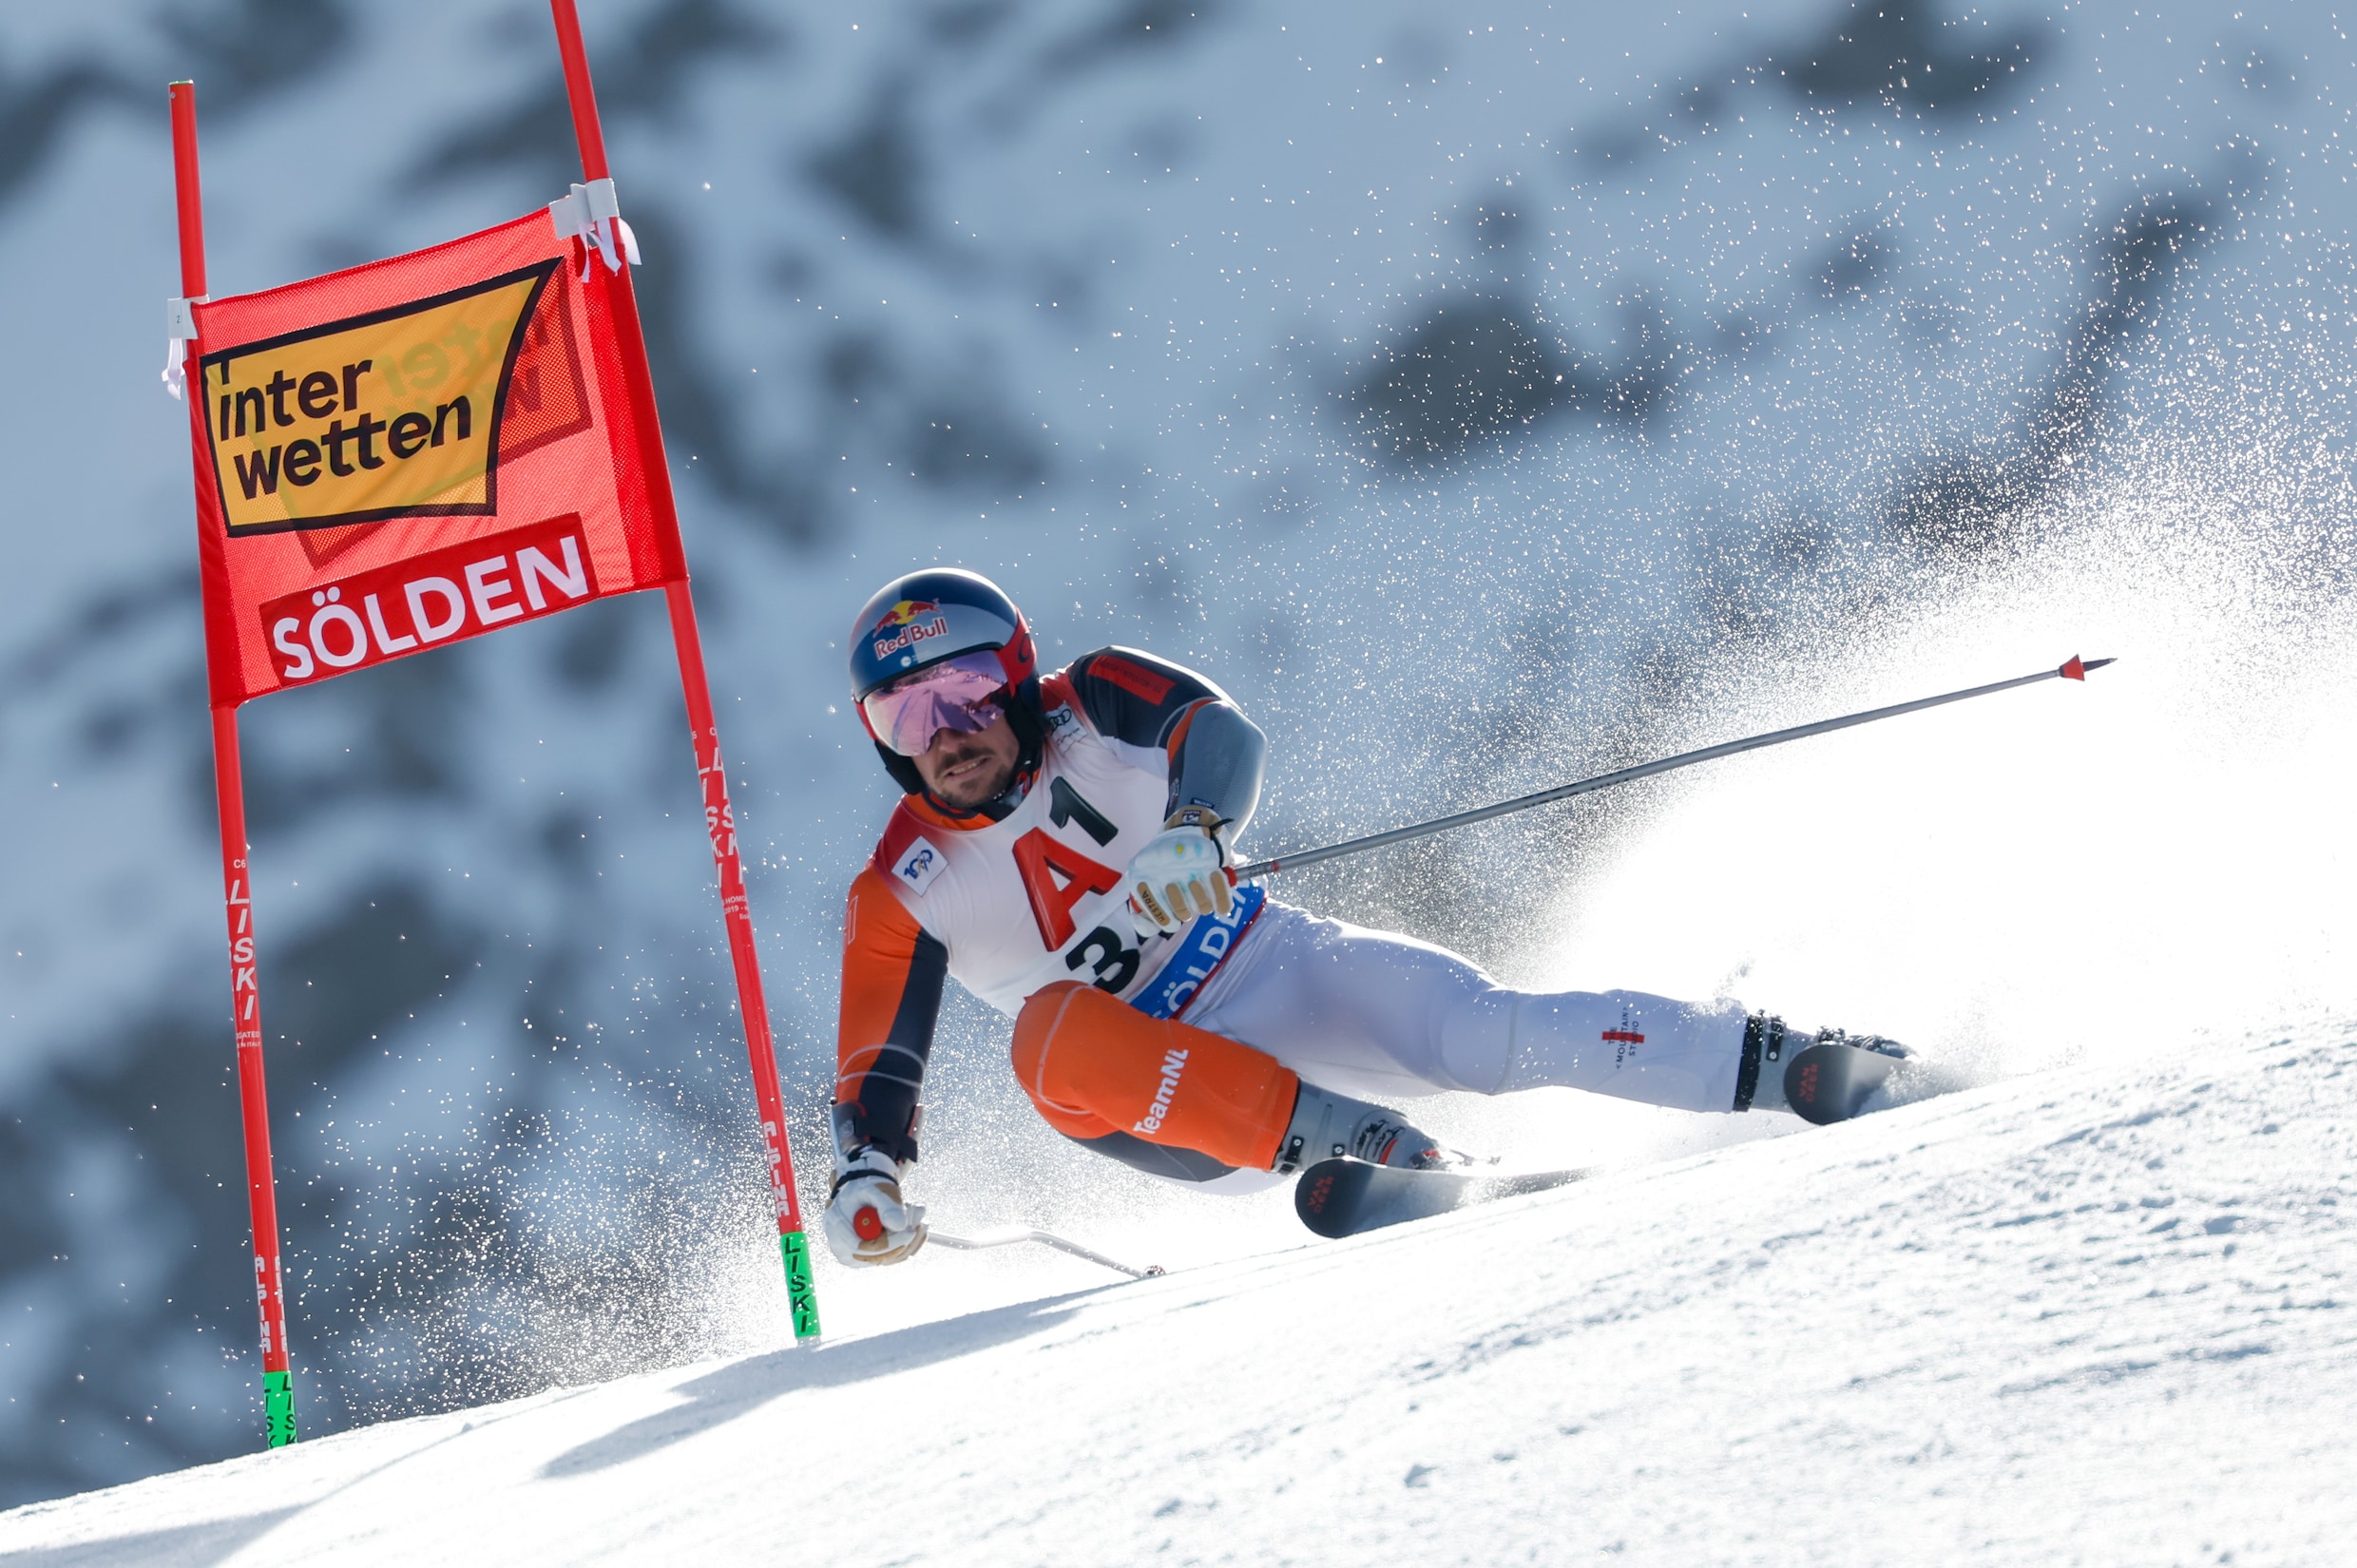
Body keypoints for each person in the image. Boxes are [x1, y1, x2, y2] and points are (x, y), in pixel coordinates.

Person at [826, 567, 1904, 1265]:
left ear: (1013, 676)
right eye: (906, 712)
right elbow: (878, 1058)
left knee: (1487, 1034)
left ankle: (1780, 1061)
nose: (945, 731)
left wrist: (1196, 828)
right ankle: (1376, 1149)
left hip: (1271, 964)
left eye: (962, 688)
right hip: (1162, 1099)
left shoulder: (1093, 700)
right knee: (1042, 1037)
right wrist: (868, 1169)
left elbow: (1220, 732)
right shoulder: (904, 885)